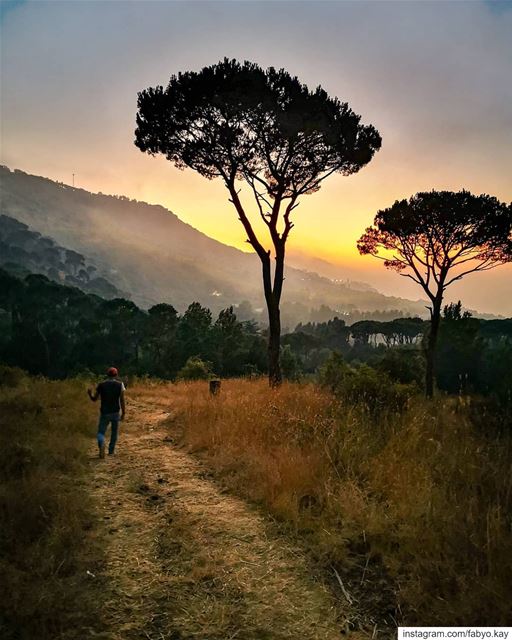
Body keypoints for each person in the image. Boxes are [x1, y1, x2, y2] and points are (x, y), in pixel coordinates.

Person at [88, 367, 126, 458]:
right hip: (115, 412)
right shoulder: (120, 385)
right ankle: (111, 451)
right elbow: (122, 400)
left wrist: (89, 394)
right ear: (116, 375)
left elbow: (94, 399)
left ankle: (101, 443)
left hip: (105, 412)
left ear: (107, 375)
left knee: (101, 432)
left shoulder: (101, 385)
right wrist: (123, 412)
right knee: (114, 432)